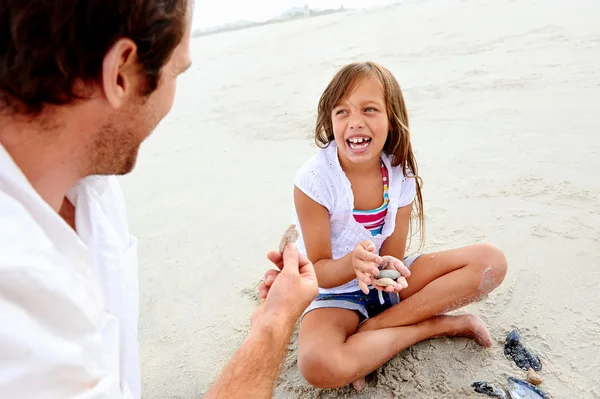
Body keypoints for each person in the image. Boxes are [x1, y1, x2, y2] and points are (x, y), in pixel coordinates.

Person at [0, 1, 317, 398]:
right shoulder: (14, 293)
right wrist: (274, 325)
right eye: (176, 71)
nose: (172, 98)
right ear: (120, 72)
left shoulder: (92, 188)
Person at [291, 61, 508, 390]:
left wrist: (387, 268)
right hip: (337, 294)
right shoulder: (315, 180)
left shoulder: (398, 172)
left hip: (382, 286)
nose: (355, 123)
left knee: (491, 262)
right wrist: (353, 265)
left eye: (369, 109)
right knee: (318, 365)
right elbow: (318, 271)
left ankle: (372, 334)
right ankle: (435, 327)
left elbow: (392, 257)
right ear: (330, 120)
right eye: (342, 112)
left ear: (391, 119)